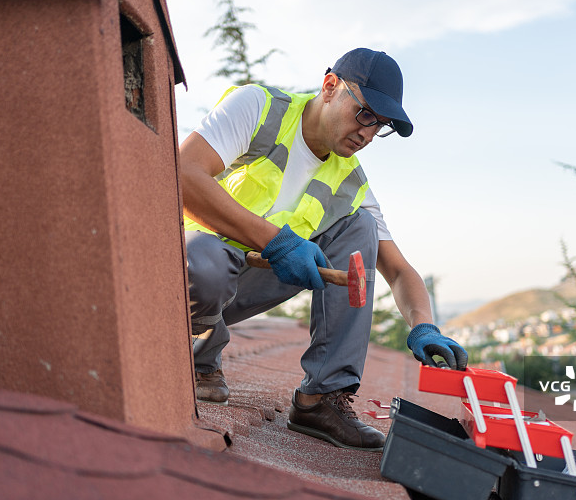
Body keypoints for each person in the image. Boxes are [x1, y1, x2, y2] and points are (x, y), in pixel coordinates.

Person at [180, 48, 468, 452]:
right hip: (184, 275)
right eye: (365, 114)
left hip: (242, 284)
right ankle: (196, 354)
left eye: (379, 126)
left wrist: (424, 326)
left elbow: (399, 272)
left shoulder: (352, 184)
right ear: (330, 86)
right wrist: (276, 241)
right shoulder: (259, 109)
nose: (367, 134)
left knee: (362, 227)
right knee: (206, 264)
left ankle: (322, 399)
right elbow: (183, 174)